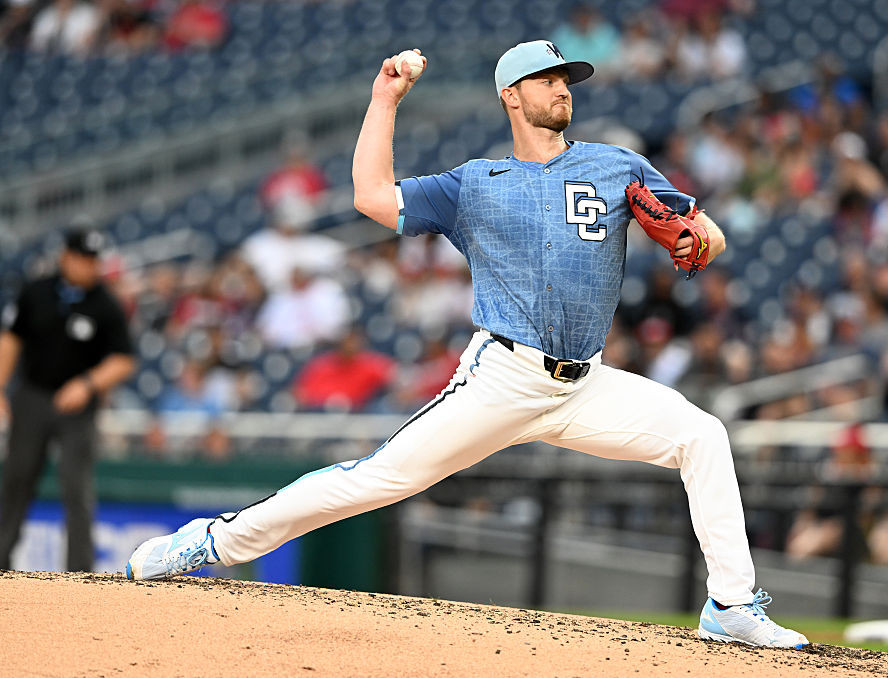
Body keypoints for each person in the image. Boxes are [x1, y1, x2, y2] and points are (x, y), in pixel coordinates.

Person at [126, 41, 808, 649]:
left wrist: (701, 239)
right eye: (546, 79)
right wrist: (383, 101)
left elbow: (703, 230)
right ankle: (210, 541)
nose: (562, 88)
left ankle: (730, 605)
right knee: (376, 479)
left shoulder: (614, 165)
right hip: (502, 378)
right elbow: (371, 196)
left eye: (567, 78)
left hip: (587, 382)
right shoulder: (473, 183)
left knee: (703, 435)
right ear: (512, 96)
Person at [0, 227, 135, 572]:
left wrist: (87, 384)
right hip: (32, 397)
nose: (91, 267)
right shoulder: (36, 292)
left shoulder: (105, 303)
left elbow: (124, 359)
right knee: (17, 479)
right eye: (84, 259)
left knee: (76, 487)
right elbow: (11, 340)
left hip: (78, 407)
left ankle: (80, 573)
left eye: (95, 260)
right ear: (66, 257)